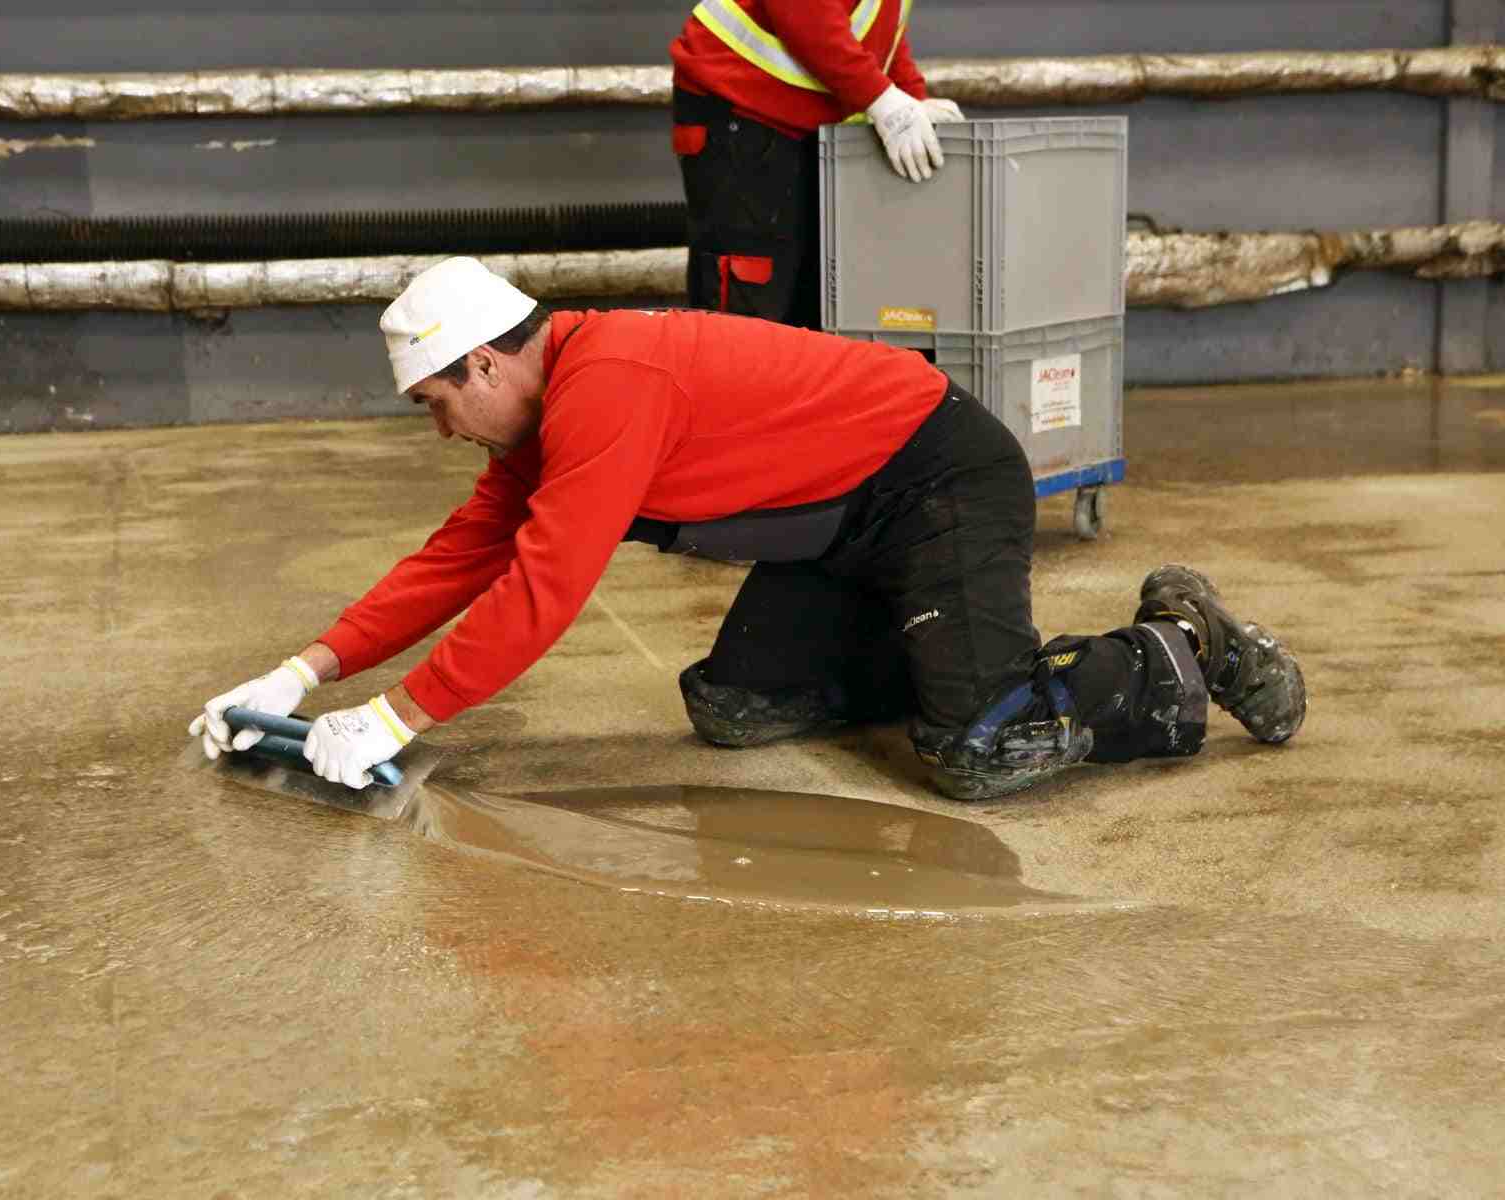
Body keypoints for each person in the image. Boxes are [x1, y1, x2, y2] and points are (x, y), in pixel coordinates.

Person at [189, 257, 1308, 801]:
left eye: (437, 403)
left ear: (483, 364)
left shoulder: (606, 385)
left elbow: (545, 588)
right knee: (735, 708)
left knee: (978, 751)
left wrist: (396, 715)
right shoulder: (535, 423)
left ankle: (1181, 643)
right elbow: (459, 560)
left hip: (937, 483)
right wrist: (302, 674)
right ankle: (948, 655)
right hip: (841, 527)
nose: (442, 430)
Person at [668, 0, 965, 328]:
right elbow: (806, 12)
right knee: (749, 297)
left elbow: (879, 23)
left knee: (807, 297)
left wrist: (909, 98)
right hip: (737, 101)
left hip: (797, 121)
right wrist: (883, 99)